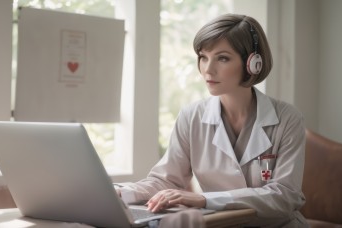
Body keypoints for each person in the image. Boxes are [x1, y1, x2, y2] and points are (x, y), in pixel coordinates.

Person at [117, 13, 308, 227]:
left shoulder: (287, 118)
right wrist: (121, 193)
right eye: (203, 57)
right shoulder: (191, 116)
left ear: (253, 63)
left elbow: (284, 196)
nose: (208, 69)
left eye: (222, 58)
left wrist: (204, 199)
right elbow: (166, 179)